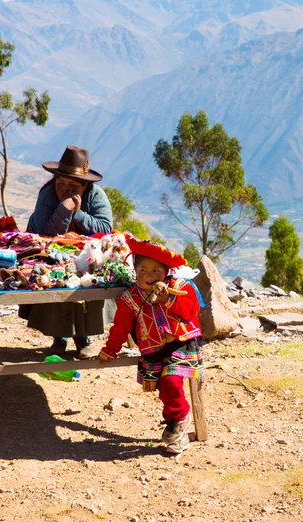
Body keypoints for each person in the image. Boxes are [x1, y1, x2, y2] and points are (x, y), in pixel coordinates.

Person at [98, 238, 203, 454]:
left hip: (181, 342)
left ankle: (181, 417)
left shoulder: (179, 288)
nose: (149, 275)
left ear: (166, 271)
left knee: (171, 380)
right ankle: (176, 426)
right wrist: (110, 350)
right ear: (134, 270)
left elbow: (190, 312)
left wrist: (167, 299)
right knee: (164, 387)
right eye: (143, 269)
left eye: (156, 270)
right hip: (153, 347)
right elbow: (120, 327)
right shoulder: (130, 298)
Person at [19, 145, 113, 358]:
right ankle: (58, 338)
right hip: (51, 253)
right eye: (61, 183)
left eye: (73, 184)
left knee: (88, 279)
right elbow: (45, 233)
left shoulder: (97, 196)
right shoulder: (47, 194)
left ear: (85, 185)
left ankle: (83, 339)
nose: (65, 189)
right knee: (57, 278)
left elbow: (105, 229)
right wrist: (64, 208)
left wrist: (78, 214)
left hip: (87, 254)